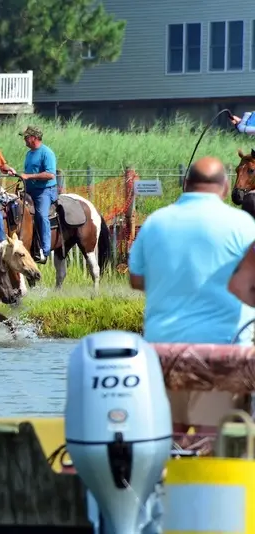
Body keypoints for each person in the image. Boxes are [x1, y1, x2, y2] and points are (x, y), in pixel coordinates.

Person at [129, 156, 255, 433]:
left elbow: (136, 279)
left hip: (162, 351)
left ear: (186, 185)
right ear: (224, 187)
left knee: (168, 437)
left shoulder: (154, 223)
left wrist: (173, 282)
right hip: (224, 354)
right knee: (214, 439)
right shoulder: (244, 224)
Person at [19, 126, 58, 264]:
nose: (24, 139)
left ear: (34, 138)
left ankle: (45, 250)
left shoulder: (47, 153)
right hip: (29, 190)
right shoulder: (29, 154)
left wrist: (28, 176)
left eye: (26, 137)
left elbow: (50, 174)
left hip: (44, 192)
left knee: (41, 215)